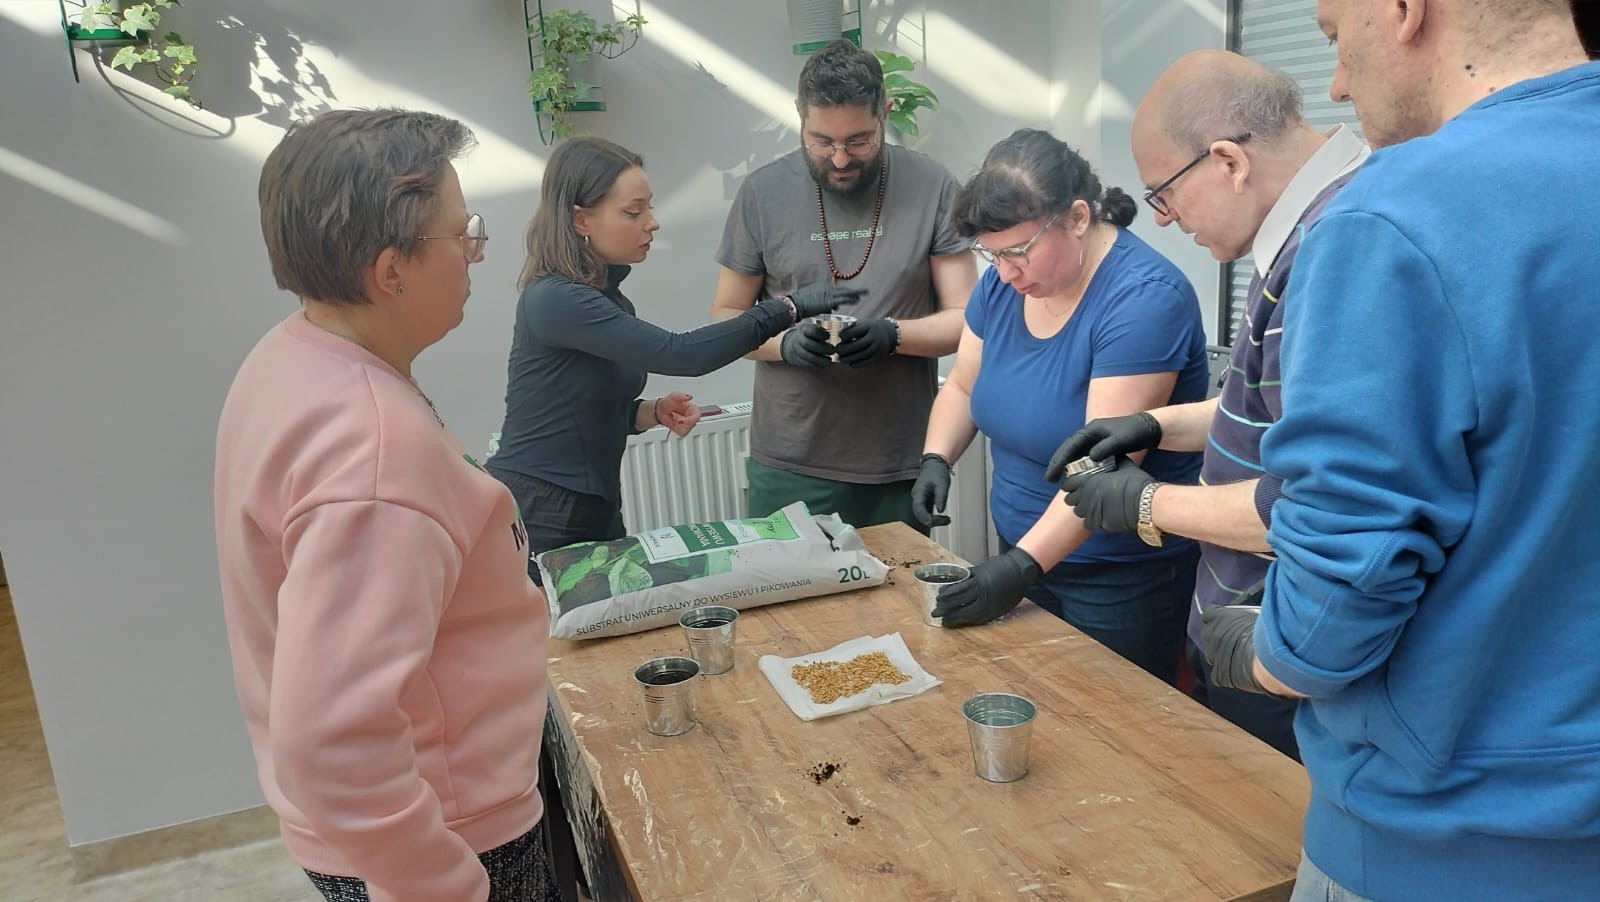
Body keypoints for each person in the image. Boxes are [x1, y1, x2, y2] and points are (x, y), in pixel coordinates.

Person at [1195, 1, 1600, 897]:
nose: (1338, 83)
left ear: (1404, 11)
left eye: (1336, 37)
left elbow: (1348, 574)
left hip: (1447, 841)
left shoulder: (1399, 211)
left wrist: (1262, 653)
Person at [216, 109, 557, 900]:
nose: (475, 253)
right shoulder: (375, 450)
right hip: (448, 835)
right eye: (462, 231)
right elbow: (332, 744)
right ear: (389, 269)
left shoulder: (294, 354)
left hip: (398, 823)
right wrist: (444, 886)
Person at [1047, 50, 1369, 759]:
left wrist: (1145, 503)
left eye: (1163, 193)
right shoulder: (1300, 237)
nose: (1162, 220)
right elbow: (1268, 409)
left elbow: (1313, 506)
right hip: (1248, 635)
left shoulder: (1336, 250)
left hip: (1285, 655)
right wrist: (1154, 424)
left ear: (1227, 160)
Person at [915, 128, 1210, 685]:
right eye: (992, 255)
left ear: (1077, 217)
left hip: (1118, 577)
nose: (1003, 273)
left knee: (1116, 734)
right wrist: (936, 458)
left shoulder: (1143, 300)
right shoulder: (1006, 285)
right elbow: (961, 387)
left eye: (1018, 252)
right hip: (1025, 548)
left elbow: (1100, 467)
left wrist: (1020, 567)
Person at [488, 136, 854, 571]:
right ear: (581, 219)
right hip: (541, 507)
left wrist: (650, 411)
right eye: (633, 211)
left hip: (593, 504)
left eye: (649, 207)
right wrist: (787, 307)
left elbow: (575, 405)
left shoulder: (605, 301)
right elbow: (682, 355)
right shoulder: (554, 299)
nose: (652, 223)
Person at [710, 38, 978, 533]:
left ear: (885, 112)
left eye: (858, 141)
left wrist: (893, 336)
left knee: (897, 610)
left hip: (898, 460)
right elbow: (726, 316)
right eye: (820, 141)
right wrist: (784, 344)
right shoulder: (761, 194)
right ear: (799, 115)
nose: (838, 159)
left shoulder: (933, 186)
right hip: (790, 461)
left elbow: (970, 321)